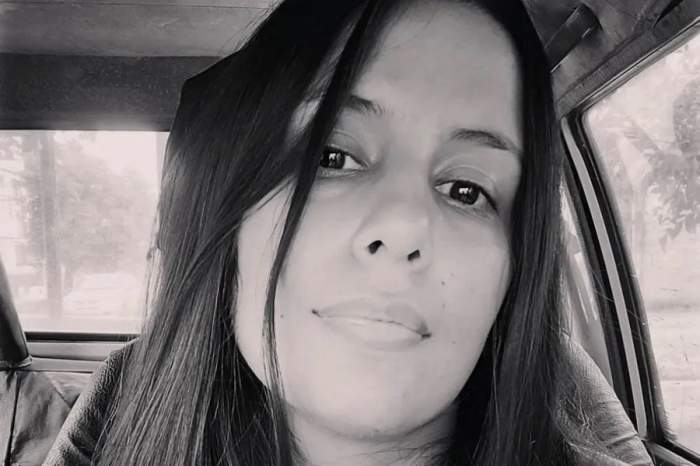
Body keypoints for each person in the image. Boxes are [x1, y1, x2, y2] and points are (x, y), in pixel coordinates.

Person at [44, 0, 655, 465]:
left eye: (467, 191)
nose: (403, 225)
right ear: (233, 214)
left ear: (515, 270)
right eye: (331, 157)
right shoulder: (120, 418)